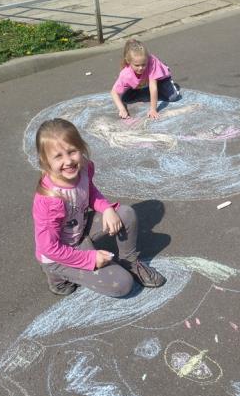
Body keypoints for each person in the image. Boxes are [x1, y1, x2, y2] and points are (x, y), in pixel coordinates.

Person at [32, 118, 166, 296]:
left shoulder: (84, 169)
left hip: (78, 230)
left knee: (124, 213)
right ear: (45, 161)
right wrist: (90, 258)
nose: (68, 161)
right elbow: (49, 248)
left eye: (72, 152)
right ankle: (57, 276)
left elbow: (90, 192)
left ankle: (130, 262)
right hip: (58, 256)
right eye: (58, 156)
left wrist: (107, 209)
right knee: (121, 285)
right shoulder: (50, 200)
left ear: (81, 148)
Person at [110, 39, 180, 120]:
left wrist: (153, 109)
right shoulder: (125, 74)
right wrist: (122, 109)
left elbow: (153, 87)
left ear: (147, 60)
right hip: (144, 81)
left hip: (160, 79)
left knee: (173, 97)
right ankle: (148, 89)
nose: (140, 68)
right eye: (137, 65)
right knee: (126, 99)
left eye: (143, 64)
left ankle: (169, 86)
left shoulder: (152, 62)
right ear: (128, 61)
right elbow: (114, 92)